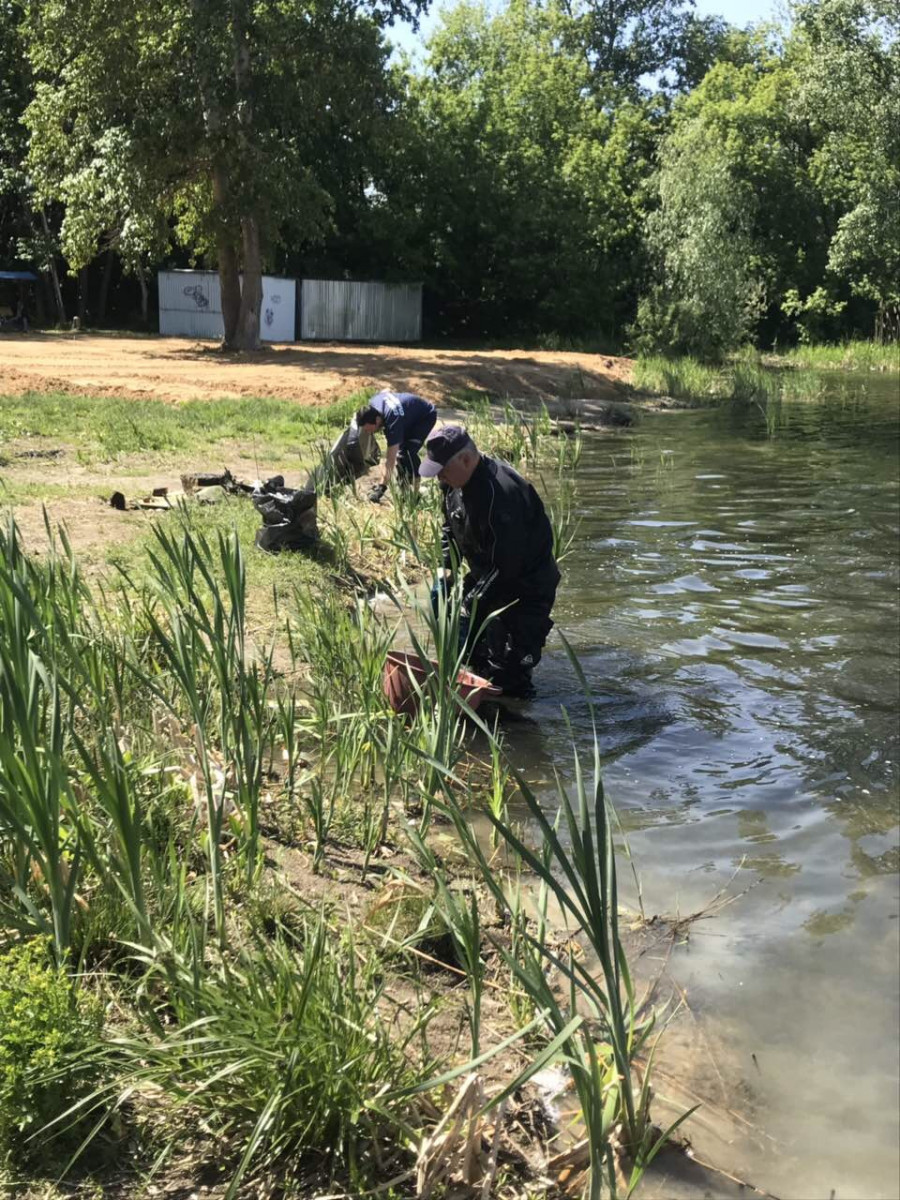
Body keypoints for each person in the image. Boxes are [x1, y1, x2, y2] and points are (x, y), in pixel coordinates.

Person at [420, 425, 560, 699]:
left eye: (443, 470)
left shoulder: (503, 494)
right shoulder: (452, 482)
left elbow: (508, 565)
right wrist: (445, 568)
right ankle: (476, 707)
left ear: (466, 459)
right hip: (488, 576)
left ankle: (517, 730)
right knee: (477, 656)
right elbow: (450, 525)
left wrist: (468, 607)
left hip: (526, 590)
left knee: (509, 673)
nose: (441, 479)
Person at [355, 390, 437, 503]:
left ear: (377, 420)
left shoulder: (392, 422)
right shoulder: (373, 403)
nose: (369, 432)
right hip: (408, 415)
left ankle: (414, 493)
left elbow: (390, 459)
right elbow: (385, 390)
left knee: (406, 453)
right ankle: (404, 488)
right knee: (402, 452)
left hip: (425, 417)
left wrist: (381, 486)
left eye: (369, 429)